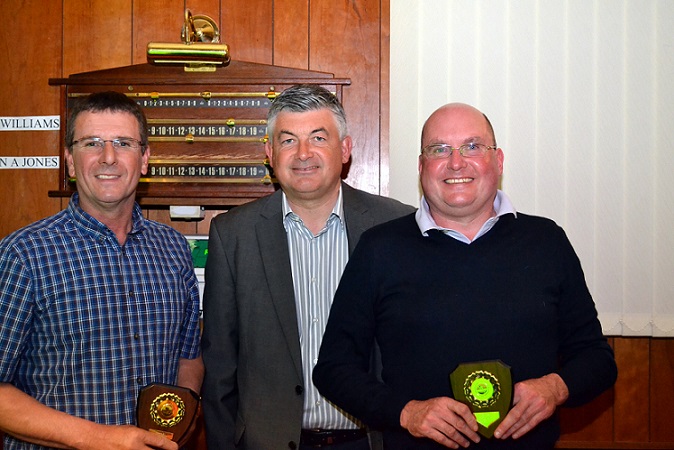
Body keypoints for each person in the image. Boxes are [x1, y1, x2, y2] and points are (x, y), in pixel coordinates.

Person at [313, 102, 618, 449]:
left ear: (498, 161)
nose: (456, 162)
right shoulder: (379, 249)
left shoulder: (547, 242)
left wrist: (556, 387)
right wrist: (405, 412)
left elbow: (597, 360)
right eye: (439, 149)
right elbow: (334, 368)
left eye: (472, 146)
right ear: (422, 166)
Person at [200, 84, 415, 450]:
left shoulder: (394, 225)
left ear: (344, 149)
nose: (303, 153)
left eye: (318, 137)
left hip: (372, 441)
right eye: (287, 141)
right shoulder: (232, 235)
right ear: (269, 153)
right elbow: (220, 368)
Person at [0, 91, 203, 450]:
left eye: (123, 143)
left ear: (144, 159)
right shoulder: (23, 255)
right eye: (91, 143)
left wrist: (174, 423)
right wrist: (100, 439)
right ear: (70, 162)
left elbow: (188, 357)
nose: (108, 158)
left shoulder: (173, 249)